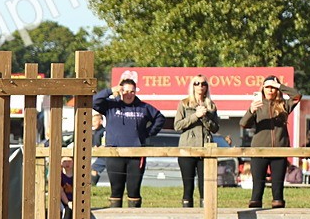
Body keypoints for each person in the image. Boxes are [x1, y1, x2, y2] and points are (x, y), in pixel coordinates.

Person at [92, 78, 165, 208]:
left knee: (134, 189)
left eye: (132, 91)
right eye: (125, 91)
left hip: (136, 155)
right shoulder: (111, 105)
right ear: (120, 91)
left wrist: (147, 133)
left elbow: (159, 118)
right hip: (114, 153)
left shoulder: (143, 107)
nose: (129, 94)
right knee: (116, 189)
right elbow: (93, 101)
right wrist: (110, 90)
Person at [240, 75, 301, 209]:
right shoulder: (258, 104)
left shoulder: (284, 105)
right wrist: (251, 111)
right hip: (259, 152)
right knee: (257, 187)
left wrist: (280, 86)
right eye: (268, 87)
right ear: (262, 88)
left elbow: (297, 96)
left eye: (273, 87)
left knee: (278, 189)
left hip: (279, 151)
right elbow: (243, 124)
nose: (270, 90)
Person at [173, 75, 220, 207]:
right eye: (197, 83)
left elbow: (215, 128)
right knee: (188, 187)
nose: (200, 86)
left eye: (203, 84)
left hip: (205, 149)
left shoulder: (211, 106)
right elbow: (177, 126)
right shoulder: (184, 103)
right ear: (192, 86)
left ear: (207, 87)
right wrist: (195, 116)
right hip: (187, 149)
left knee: (205, 187)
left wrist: (204, 117)